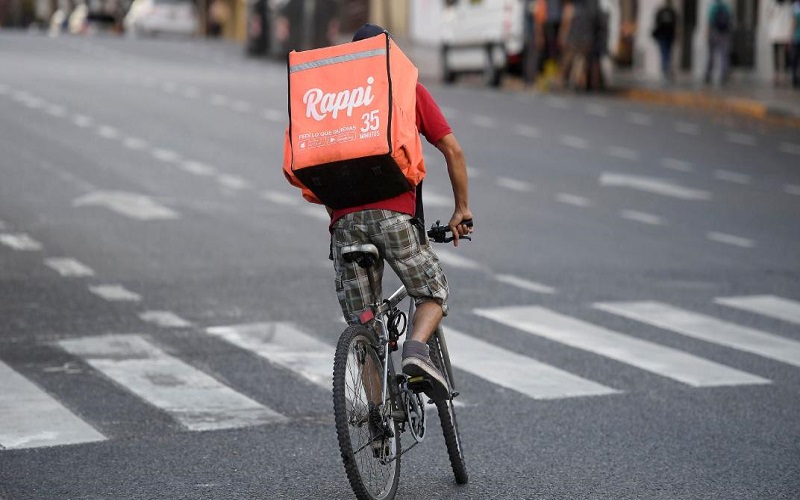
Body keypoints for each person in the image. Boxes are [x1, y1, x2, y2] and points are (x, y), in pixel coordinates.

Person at [329, 24, 474, 400]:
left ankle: (376, 419)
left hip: (344, 225)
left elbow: (319, 165)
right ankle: (416, 351)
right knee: (433, 291)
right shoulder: (407, 89)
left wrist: (341, 217)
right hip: (393, 217)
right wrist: (461, 209)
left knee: (363, 325)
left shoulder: (334, 100)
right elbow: (453, 150)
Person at [704, 0, 733, 85]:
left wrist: (707, 34)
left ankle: (708, 74)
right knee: (724, 55)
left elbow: (710, 21)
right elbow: (730, 20)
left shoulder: (713, 7)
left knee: (711, 55)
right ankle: (724, 74)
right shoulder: (726, 7)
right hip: (724, 34)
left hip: (714, 32)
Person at [767, 0, 794, 85]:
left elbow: (790, 20)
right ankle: (777, 74)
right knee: (776, 55)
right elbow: (770, 16)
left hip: (784, 35)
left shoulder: (788, 6)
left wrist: (789, 36)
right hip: (775, 34)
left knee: (785, 55)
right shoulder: (773, 5)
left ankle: (784, 74)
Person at [652, 0, 678, 81]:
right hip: (662, 36)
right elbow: (656, 23)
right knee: (665, 53)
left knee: (667, 53)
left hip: (668, 36)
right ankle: (665, 69)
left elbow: (675, 24)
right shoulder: (662, 11)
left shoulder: (671, 12)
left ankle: (666, 69)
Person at [792, 0, 800, 88]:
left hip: (797, 38)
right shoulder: (796, 6)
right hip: (797, 38)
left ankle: (795, 78)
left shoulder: (796, 7)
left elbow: (794, 23)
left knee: (795, 60)